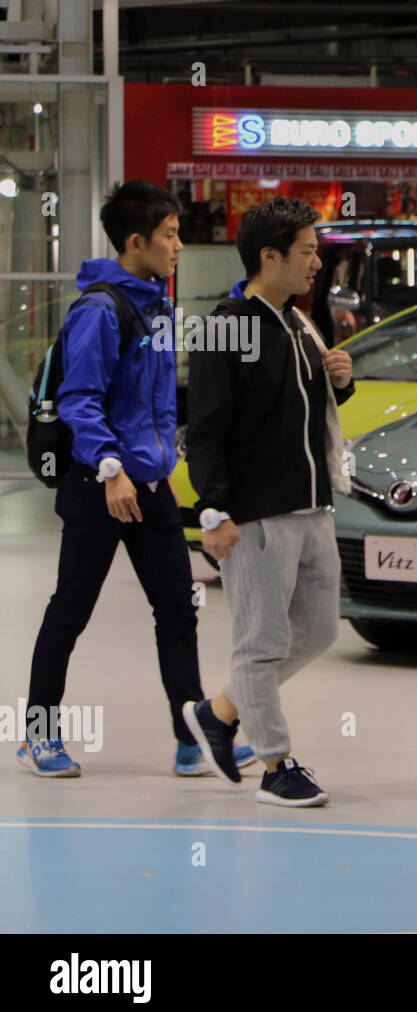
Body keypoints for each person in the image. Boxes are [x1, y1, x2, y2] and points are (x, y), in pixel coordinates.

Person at [19, 179, 256, 778]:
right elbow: (80, 401)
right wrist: (112, 469)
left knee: (178, 609)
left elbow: (157, 401)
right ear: (135, 241)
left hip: (148, 489)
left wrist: (160, 467)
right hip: (100, 486)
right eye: (170, 235)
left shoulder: (156, 304)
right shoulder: (101, 310)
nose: (179, 246)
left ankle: (189, 738)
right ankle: (38, 735)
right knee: (70, 610)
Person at [184, 196, 354, 807]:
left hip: (311, 506)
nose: (317, 264)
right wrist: (214, 510)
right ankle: (276, 764)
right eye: (308, 252)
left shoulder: (299, 323)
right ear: (269, 256)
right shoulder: (225, 327)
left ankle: (220, 711)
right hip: (255, 514)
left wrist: (341, 381)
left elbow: (301, 417)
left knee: (317, 630)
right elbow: (203, 430)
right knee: (259, 643)